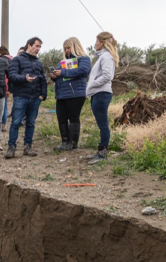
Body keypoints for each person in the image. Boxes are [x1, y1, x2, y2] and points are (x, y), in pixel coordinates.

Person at [5, 37, 47, 158]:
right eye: (37, 46)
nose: (38, 49)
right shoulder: (17, 60)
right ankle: (11, 148)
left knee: (31, 123)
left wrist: (42, 95)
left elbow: (43, 80)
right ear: (29, 45)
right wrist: (24, 78)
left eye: (40, 47)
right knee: (16, 122)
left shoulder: (39, 63)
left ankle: (28, 147)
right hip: (21, 97)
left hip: (35, 98)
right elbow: (12, 76)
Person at [50, 37, 91, 151]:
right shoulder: (62, 62)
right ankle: (64, 142)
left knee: (73, 118)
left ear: (75, 46)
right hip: (62, 94)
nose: (67, 50)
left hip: (76, 94)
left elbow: (83, 71)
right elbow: (60, 76)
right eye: (65, 48)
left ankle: (73, 143)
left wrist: (62, 72)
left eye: (68, 47)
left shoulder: (84, 59)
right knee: (61, 118)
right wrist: (54, 76)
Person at [85, 31, 119, 164]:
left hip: (101, 94)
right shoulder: (103, 56)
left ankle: (102, 154)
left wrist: (92, 84)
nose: (95, 44)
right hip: (98, 93)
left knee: (103, 125)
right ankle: (100, 151)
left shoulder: (106, 57)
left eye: (97, 41)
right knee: (101, 124)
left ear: (103, 43)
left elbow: (107, 76)